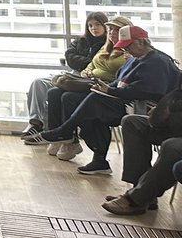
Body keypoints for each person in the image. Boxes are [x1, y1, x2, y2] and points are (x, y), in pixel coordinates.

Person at [37, 24, 180, 175]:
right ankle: (96, 157)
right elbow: (120, 81)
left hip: (144, 107)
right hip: (125, 100)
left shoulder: (157, 61)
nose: (126, 50)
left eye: (128, 45)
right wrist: (104, 87)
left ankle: (66, 131)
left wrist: (110, 90)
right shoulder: (135, 59)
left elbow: (145, 91)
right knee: (74, 100)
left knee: (94, 103)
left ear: (141, 42)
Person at [25, 15, 128, 159]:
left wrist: (91, 72)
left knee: (68, 97)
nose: (112, 33)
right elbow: (83, 61)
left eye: (116, 30)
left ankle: (68, 137)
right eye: (110, 29)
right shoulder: (105, 47)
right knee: (53, 92)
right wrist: (87, 71)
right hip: (87, 80)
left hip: (102, 87)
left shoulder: (127, 54)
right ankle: (57, 135)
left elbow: (120, 77)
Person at [20, 11, 108, 138]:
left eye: (97, 24)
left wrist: (83, 61)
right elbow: (70, 57)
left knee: (57, 93)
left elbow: (95, 63)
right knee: (38, 83)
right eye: (90, 25)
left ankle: (59, 133)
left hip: (87, 79)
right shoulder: (81, 40)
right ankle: (35, 122)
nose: (93, 28)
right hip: (72, 75)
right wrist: (87, 61)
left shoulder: (107, 44)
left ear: (104, 25)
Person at [102, 87, 182, 214]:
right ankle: (143, 192)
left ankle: (137, 199)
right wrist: (161, 109)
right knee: (132, 122)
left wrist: (171, 110)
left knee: (172, 147)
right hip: (174, 125)